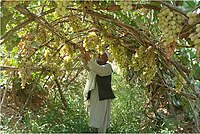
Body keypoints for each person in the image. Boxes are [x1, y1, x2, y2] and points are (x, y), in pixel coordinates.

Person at [81, 48, 116, 133]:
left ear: (106, 58)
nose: (99, 56)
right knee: (95, 115)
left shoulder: (108, 67)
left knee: (101, 118)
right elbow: (87, 66)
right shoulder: (95, 64)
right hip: (95, 94)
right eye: (99, 54)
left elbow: (100, 70)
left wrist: (89, 59)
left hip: (103, 96)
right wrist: (84, 57)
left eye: (102, 55)